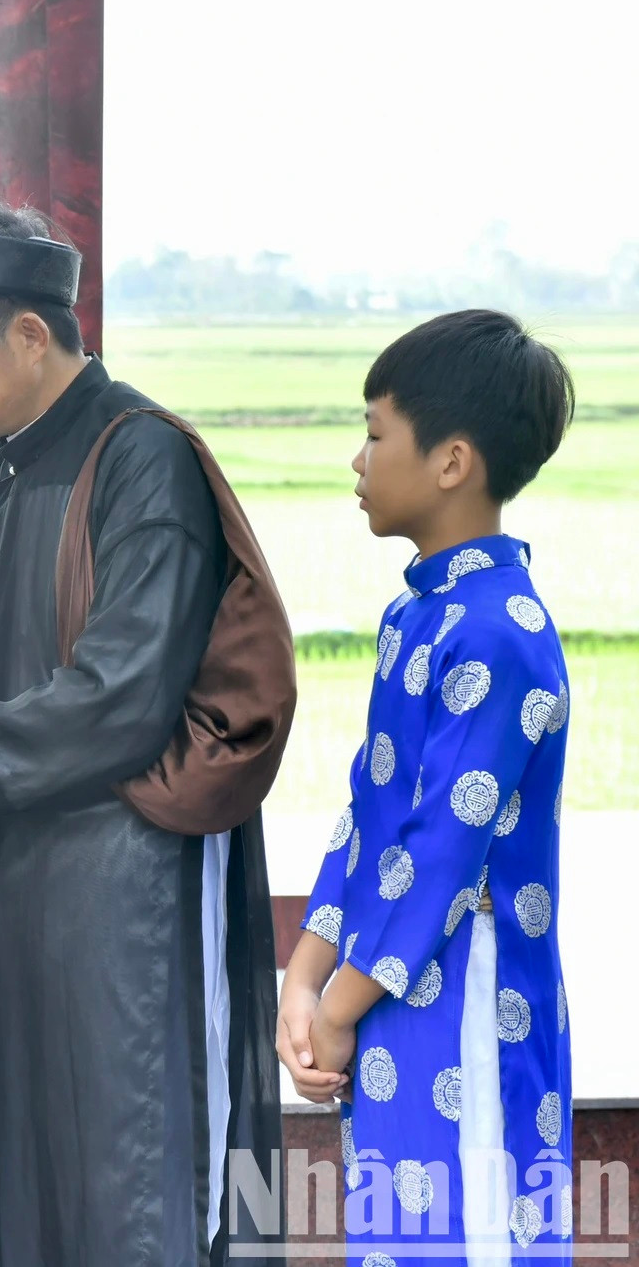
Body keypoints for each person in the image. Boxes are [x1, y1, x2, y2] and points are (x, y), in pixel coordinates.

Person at [0, 202, 283, 1265]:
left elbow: (121, 694)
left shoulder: (140, 461)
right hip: (11, 864)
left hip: (123, 886)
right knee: (7, 1163)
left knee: (121, 1161)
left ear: (28, 335)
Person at [280, 310, 575, 1263]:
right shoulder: (419, 611)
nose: (358, 461)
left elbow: (443, 855)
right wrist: (306, 971)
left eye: (375, 434)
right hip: (390, 995)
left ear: (452, 463)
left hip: (468, 1005)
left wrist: (333, 1007)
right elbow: (372, 813)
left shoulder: (498, 632)